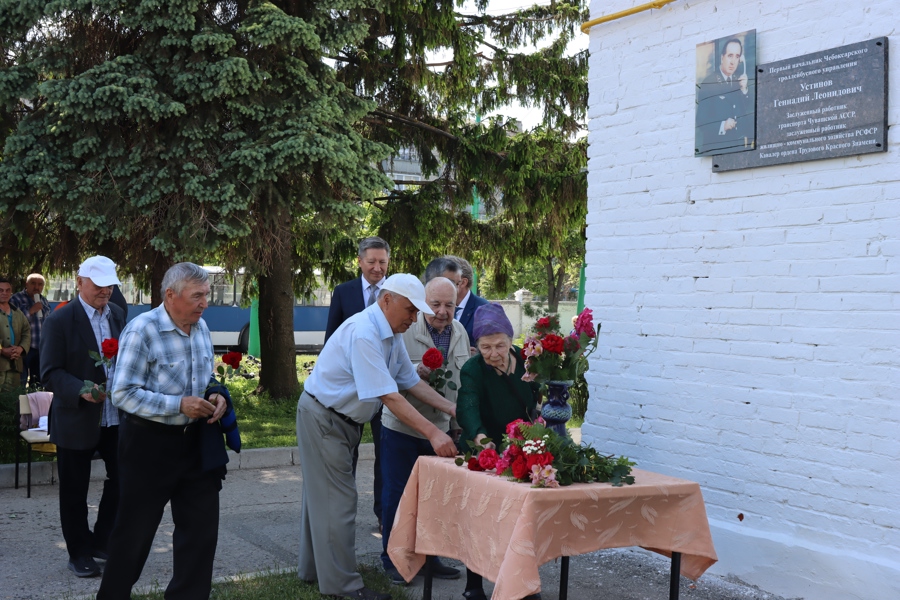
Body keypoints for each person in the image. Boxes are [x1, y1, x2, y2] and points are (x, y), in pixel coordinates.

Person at [297, 273, 458, 600]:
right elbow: (390, 395)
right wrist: (433, 432)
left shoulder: (390, 332)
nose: (414, 319)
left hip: (336, 418)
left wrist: (454, 411)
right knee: (338, 503)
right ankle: (344, 587)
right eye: (410, 310)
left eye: (417, 312)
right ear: (386, 300)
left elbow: (410, 381)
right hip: (326, 418)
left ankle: (313, 571)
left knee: (321, 500)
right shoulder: (366, 333)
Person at [96, 262, 230, 600]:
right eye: (197, 296)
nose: (205, 303)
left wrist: (215, 393)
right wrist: (177, 405)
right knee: (133, 537)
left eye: (206, 295)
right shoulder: (142, 330)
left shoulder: (200, 328)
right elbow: (122, 393)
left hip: (196, 444)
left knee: (200, 534)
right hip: (148, 446)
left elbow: (206, 378)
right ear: (170, 295)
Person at [40, 257, 126, 577]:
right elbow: (50, 373)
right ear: (80, 282)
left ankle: (102, 540)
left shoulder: (117, 313)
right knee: (74, 490)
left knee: (122, 478)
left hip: (114, 415)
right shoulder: (60, 320)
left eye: (110, 284)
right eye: (99, 284)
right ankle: (79, 553)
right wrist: (81, 389)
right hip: (77, 416)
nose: (106, 290)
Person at [380, 277, 466, 584]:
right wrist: (415, 372)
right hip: (402, 428)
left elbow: (460, 387)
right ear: (421, 303)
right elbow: (387, 383)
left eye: (449, 305)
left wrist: (456, 426)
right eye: (435, 304)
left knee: (435, 499)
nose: (442, 312)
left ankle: (429, 559)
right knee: (398, 496)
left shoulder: (459, 332)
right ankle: (393, 560)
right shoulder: (404, 328)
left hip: (442, 431)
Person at [456, 302, 542, 600]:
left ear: (511, 339)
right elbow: (467, 405)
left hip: (523, 445)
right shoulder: (473, 369)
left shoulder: (528, 361)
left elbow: (539, 393)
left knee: (522, 519)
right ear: (476, 346)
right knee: (482, 516)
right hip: (487, 445)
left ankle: (522, 583)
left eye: (500, 345)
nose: (493, 353)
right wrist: (478, 436)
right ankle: (474, 586)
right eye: (485, 347)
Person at [324, 236, 391, 529]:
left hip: (383, 386)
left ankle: (382, 512)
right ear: (360, 262)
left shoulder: (393, 293)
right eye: (372, 262)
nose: (377, 268)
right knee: (346, 452)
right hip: (350, 390)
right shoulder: (343, 292)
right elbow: (331, 339)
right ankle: (342, 512)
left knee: (385, 453)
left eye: (383, 262)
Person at [696, 38, 754, 156]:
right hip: (718, 149)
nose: (733, 62)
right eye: (730, 56)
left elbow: (745, 108)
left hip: (740, 147)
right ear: (722, 57)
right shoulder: (709, 83)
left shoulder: (738, 79)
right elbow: (701, 121)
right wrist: (722, 125)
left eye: (737, 57)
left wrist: (744, 90)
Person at [10, 273, 51, 388]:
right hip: (22, 347)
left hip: (40, 348)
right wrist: (31, 311)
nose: (36, 287)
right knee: (20, 382)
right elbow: (13, 321)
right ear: (26, 284)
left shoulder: (44, 301)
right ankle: (19, 405)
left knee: (37, 383)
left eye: (40, 284)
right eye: (33, 283)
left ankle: (36, 404)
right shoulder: (16, 299)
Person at [443, 255, 488, 347]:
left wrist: (477, 354)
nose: (441, 284)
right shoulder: (437, 307)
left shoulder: (485, 310)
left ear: (463, 282)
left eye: (446, 280)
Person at [0, 277, 30, 392]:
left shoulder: (17, 313)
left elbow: (27, 331)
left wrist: (21, 348)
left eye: (7, 290)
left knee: (13, 403)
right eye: (1, 290)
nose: (4, 293)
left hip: (15, 366)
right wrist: (2, 350)